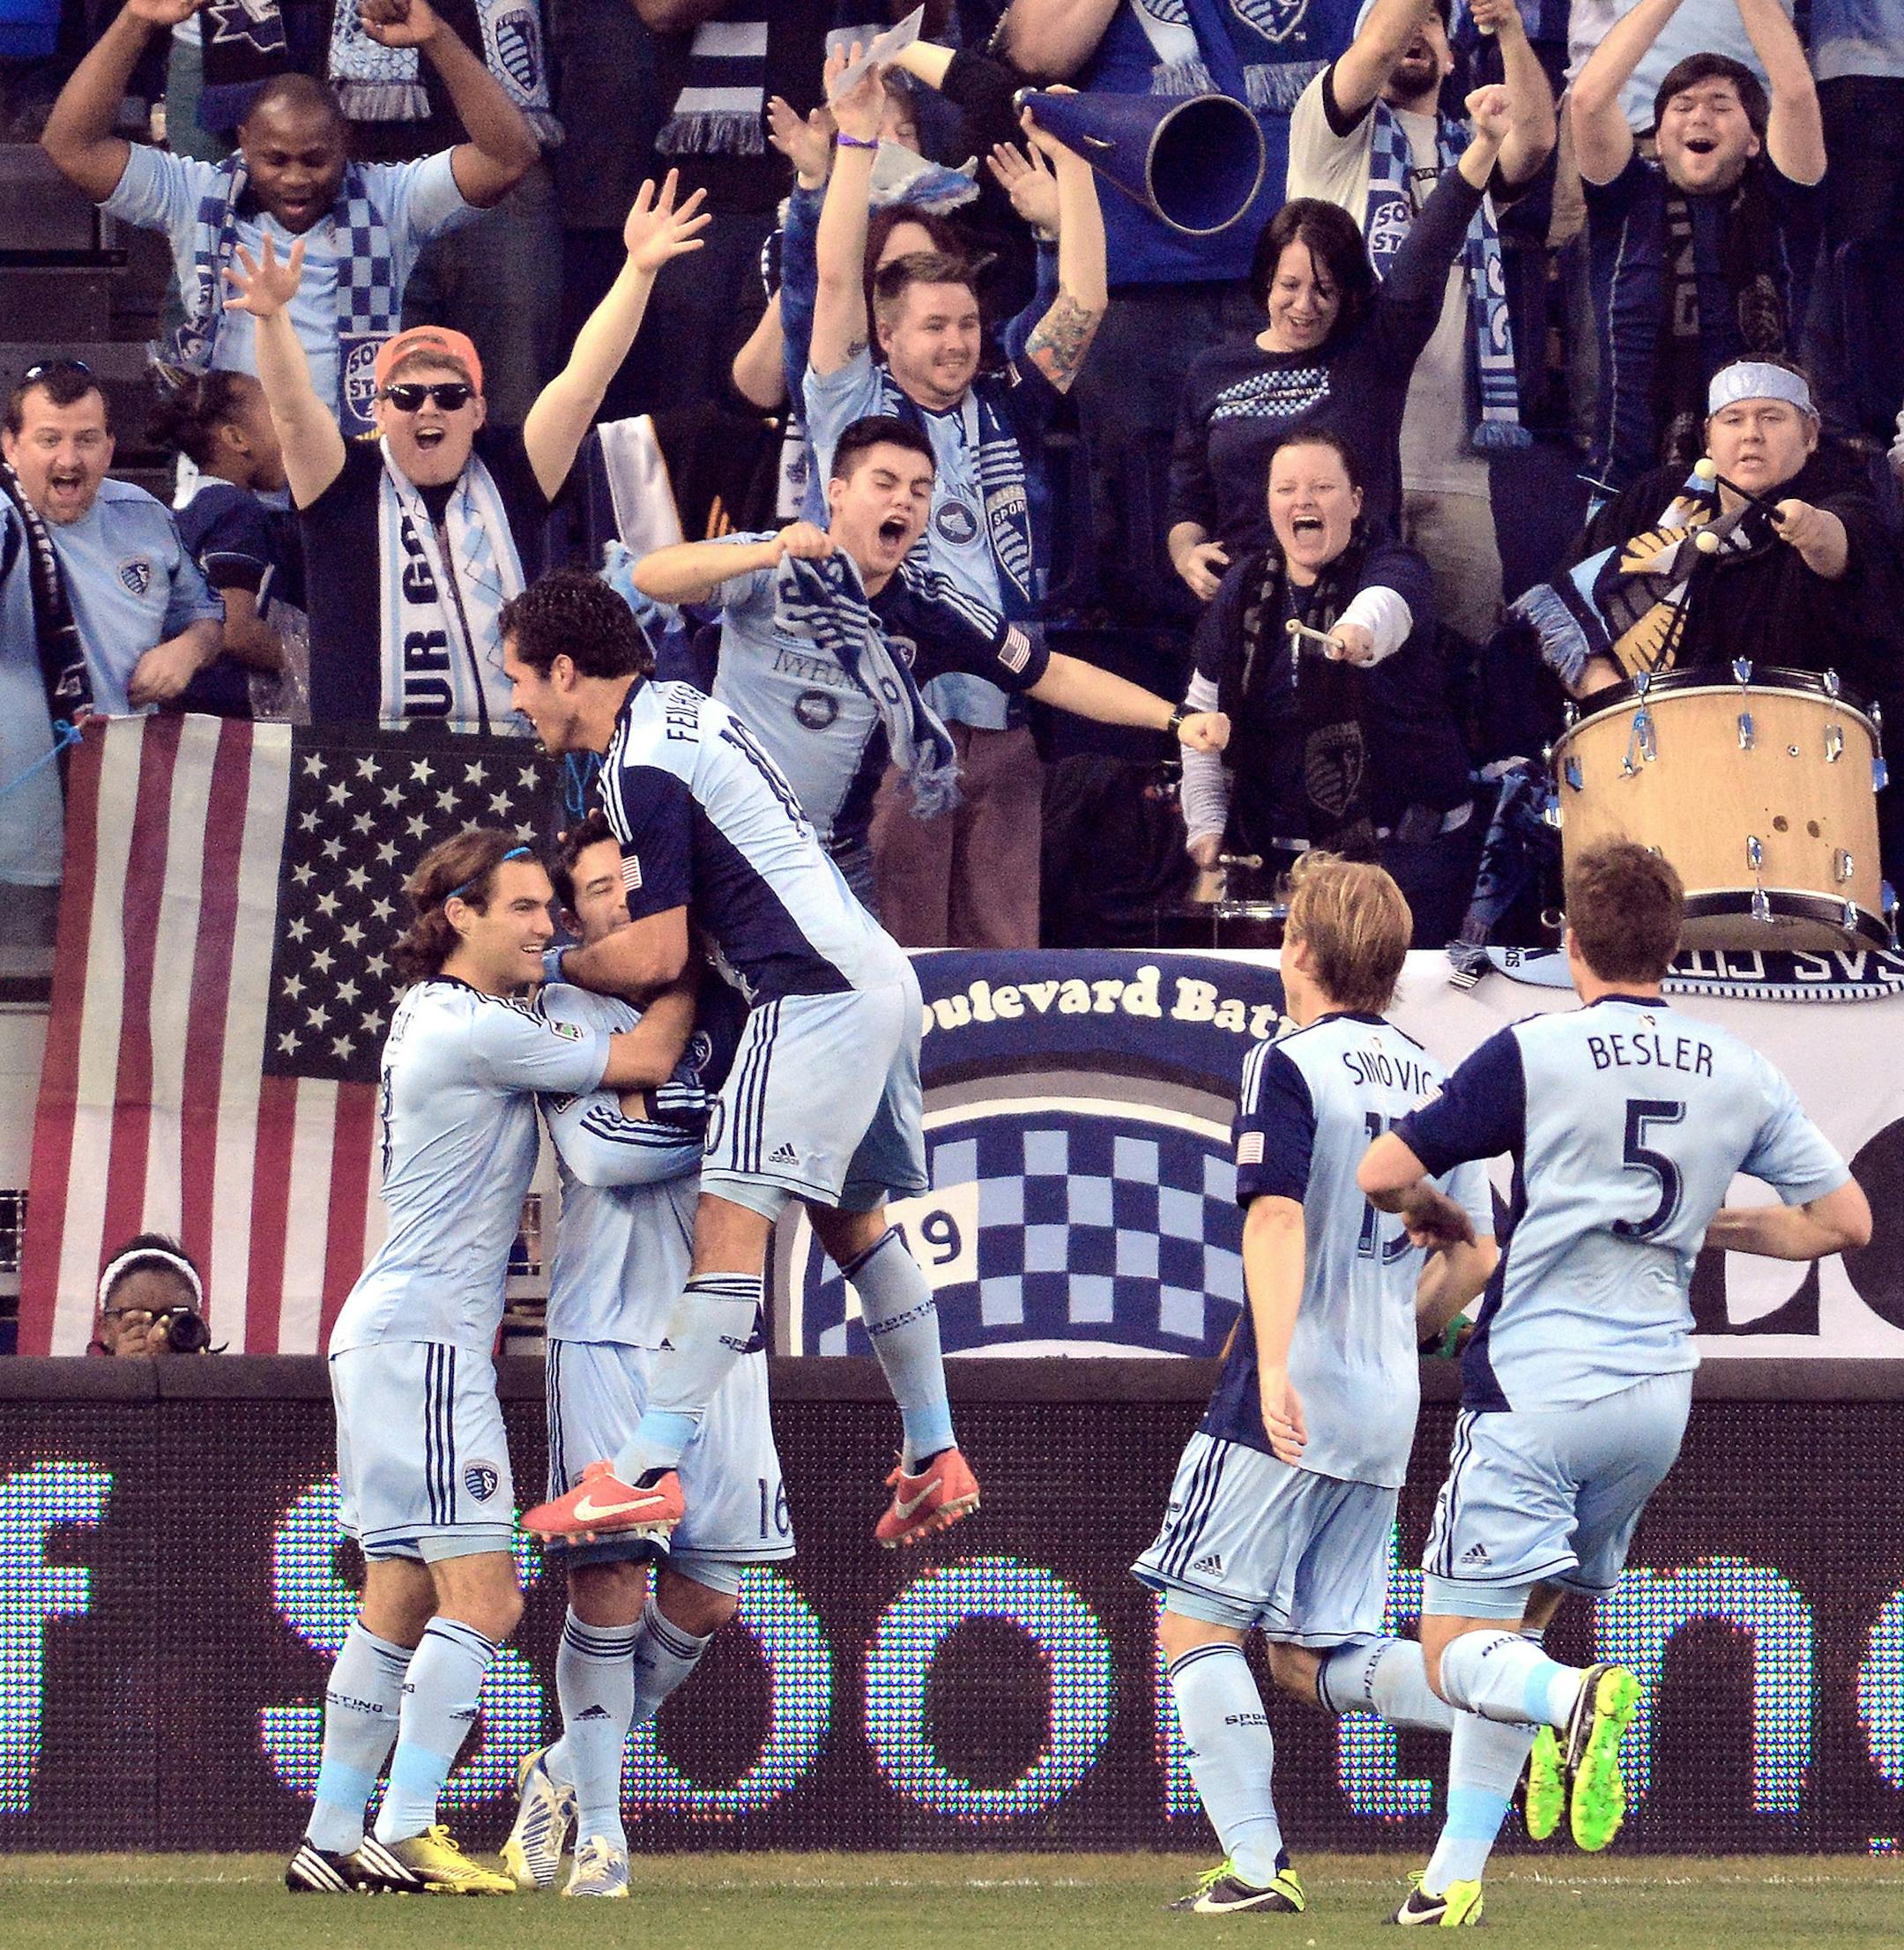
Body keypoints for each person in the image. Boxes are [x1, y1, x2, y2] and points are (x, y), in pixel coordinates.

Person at [1357, 839, 1870, 1894]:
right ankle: (1450, 1881)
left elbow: (1382, 1170)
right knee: (1516, 1632)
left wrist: (1435, 1216)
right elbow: (1844, 1223)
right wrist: (1689, 1227)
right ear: (1672, 948)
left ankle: (1575, 1703)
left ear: (1569, 940)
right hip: (1653, 1405)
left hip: (1540, 1389)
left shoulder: (1533, 1048)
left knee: (1457, 1648)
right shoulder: (1739, 1064)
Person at [496, 570, 979, 1552]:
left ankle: (638, 1472)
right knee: (856, 1232)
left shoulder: (636, 768)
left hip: (807, 994)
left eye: (519, 679)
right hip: (877, 979)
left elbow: (661, 953)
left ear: (562, 670)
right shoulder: (680, 706)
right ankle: (934, 1452)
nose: (514, 700)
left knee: (729, 1229)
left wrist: (549, 961)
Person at [286, 825, 696, 1895]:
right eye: (521, 906)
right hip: (424, 1343)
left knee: (397, 1598)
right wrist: (690, 973)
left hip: (385, 1335)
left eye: (547, 906)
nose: (546, 925)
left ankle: (332, 1836)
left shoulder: (437, 1018)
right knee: (491, 1598)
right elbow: (646, 1060)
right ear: (457, 915)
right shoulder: (474, 1028)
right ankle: (408, 1824)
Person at [1133, 852, 1497, 1919]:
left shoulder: (1287, 1061)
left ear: (1299, 948)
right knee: (1309, 1652)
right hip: (1387, 1397)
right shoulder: (1438, 1078)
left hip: (1290, 1389)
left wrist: (1284, 1361)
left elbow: (1276, 1214)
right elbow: (1473, 1258)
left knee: (1195, 1621)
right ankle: (1524, 1698)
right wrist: (1393, 1331)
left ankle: (1255, 1867)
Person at [628, 415, 1228, 909]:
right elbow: (652, 577)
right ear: (836, 493)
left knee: (854, 1029)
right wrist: (763, 554)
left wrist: (1176, 722)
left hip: (830, 865)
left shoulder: (931, 606)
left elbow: (1055, 674)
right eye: (884, 483)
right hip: (719, 840)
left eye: (920, 490)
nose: (904, 501)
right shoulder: (766, 562)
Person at [499, 813, 756, 1901]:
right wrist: (751, 1134)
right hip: (606, 1322)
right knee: (610, 1576)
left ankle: (561, 1767)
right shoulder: (560, 1006)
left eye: (629, 882)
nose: (616, 901)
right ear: (576, 911)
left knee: (710, 1590)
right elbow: (606, 1153)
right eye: (595, 889)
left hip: (719, 1329)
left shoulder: (742, 1003)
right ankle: (602, 1830)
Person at [807, 49, 1108, 949]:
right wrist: (856, 139)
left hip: (1006, 718)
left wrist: (1082, 168)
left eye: (969, 323)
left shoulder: (1004, 398)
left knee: (1005, 961)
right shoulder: (854, 406)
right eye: (936, 326)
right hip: (899, 720)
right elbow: (831, 281)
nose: (959, 341)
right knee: (902, 960)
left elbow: (1084, 300)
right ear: (887, 334)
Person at [225, 173, 708, 729]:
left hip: (508, 758)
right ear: (379, 413)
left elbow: (583, 383)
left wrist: (637, 271)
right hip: (361, 770)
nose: (428, 408)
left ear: (478, 412)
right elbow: (290, 408)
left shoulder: (514, 470)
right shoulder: (341, 480)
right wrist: (272, 318)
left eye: (450, 396)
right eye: (407, 396)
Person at [1000, 0, 1361, 626]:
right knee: (1144, 537)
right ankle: (1165, 713)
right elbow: (1036, 53)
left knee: (1307, 504)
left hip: (1296, 276)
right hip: (1141, 278)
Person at [40, 0, 540, 437]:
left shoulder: (390, 199)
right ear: (243, 143)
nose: (295, 178)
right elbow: (71, 146)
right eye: (275, 160)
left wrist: (437, 38)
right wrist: (133, 21)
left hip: (351, 469)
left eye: (315, 160)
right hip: (230, 474)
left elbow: (508, 156)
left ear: (346, 143)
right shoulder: (194, 193)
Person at [1168, 88, 1514, 606]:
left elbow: (1428, 249)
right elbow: (1186, 502)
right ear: (1265, 280)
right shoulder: (1212, 370)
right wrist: (1187, 555)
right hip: (1246, 605)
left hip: (1359, 593)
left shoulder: (1374, 350)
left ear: (1348, 292)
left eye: (1325, 289)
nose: (1304, 305)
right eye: (1290, 286)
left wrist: (1484, 146)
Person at [1286, 0, 1555, 644]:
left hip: (1456, 464)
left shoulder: (1476, 146)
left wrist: (1510, 27)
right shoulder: (1325, 133)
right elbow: (1380, 43)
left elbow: (1539, 139)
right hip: (1342, 465)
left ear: (1455, 53)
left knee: (1466, 661)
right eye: (1402, 19)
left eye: (1433, 21)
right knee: (1342, 662)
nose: (1414, 29)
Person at [1178, 431, 1480, 947]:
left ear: (1356, 501)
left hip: (1405, 861)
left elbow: (1387, 603)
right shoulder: (1243, 589)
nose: (1303, 501)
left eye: (1322, 487)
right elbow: (1200, 719)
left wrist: (1357, 634)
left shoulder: (1394, 564)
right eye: (1286, 489)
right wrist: (1205, 826)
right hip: (1281, 867)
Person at [1515, 360, 1904, 708]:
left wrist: (1812, 530)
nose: (1751, 434)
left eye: (1772, 418)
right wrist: (1619, 705)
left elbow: (1847, 548)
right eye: (1733, 419)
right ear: (1708, 437)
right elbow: (1563, 620)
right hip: (1648, 745)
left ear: (1811, 434)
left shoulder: (1840, 492)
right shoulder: (1656, 497)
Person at [1570, 0, 1826, 490]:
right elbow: (1588, 101)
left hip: (1762, 489)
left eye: (1721, 106)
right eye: (1682, 107)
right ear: (1660, 140)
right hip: (1625, 485)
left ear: (1755, 140)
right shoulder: (1624, 201)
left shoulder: (1785, 205)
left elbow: (1795, 93)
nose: (1699, 116)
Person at [147, 368, 308, 720]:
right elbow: (235, 630)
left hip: (187, 711)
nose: (290, 429)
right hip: (224, 720)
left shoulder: (187, 505)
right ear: (237, 438)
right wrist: (313, 667)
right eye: (276, 416)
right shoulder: (236, 511)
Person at [91, 1233, 214, 1357]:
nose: (157, 1333)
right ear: (105, 1328)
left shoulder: (226, 1374)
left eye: (173, 1316)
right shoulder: (78, 1376)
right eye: (137, 1322)